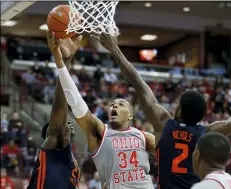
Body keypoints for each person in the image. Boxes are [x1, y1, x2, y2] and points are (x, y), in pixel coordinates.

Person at [95, 33, 231, 189]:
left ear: (179, 109)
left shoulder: (163, 122)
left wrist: (114, 49)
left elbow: (137, 81)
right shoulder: (207, 133)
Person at [47, 30, 156, 189]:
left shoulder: (144, 137)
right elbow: (77, 104)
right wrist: (62, 61)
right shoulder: (100, 133)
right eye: (113, 104)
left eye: (121, 104)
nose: (114, 106)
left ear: (130, 115)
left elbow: (172, 157)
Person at [27, 33, 82, 189]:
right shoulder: (54, 141)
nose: (69, 124)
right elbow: (59, 109)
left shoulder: (69, 157)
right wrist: (66, 61)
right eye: (65, 123)